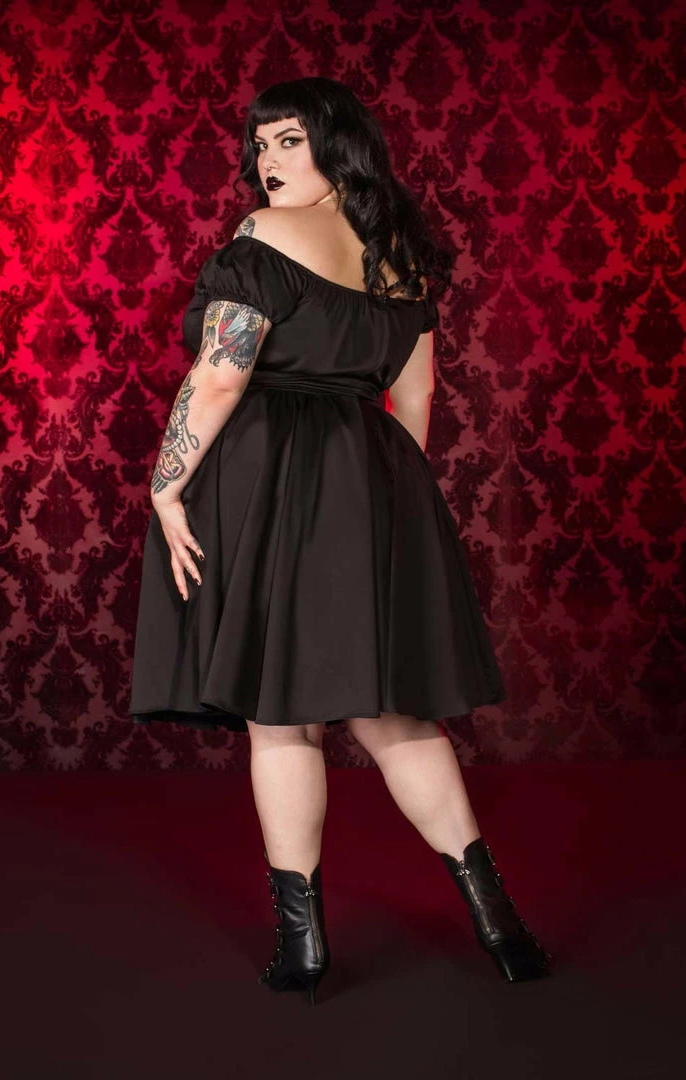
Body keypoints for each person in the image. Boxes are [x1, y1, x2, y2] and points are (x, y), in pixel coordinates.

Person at [128, 77, 552, 1006]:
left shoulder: (263, 237)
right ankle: (501, 926)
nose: (268, 161)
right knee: (397, 718)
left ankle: (305, 949)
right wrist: (378, 499)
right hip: (375, 476)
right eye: (261, 144)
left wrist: (166, 486)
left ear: (338, 145)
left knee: (282, 716)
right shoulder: (400, 258)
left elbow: (221, 377)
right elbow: (415, 397)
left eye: (290, 140)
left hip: (270, 474)